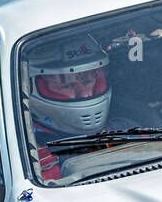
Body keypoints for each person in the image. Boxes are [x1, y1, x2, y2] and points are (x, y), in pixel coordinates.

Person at [24, 43, 112, 180]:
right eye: (68, 85)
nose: (85, 94)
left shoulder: (131, 126)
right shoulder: (28, 164)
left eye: (88, 81)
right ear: (30, 87)